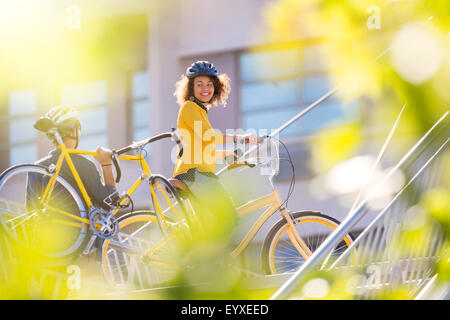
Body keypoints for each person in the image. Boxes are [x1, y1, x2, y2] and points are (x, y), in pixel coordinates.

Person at [172, 60, 259, 247]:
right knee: (229, 218)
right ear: (190, 88)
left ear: (216, 87)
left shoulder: (199, 110)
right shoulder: (189, 107)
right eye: (199, 84)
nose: (205, 88)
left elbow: (203, 146)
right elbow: (208, 136)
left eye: (209, 84)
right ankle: (207, 261)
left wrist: (227, 154)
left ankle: (198, 258)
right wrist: (240, 138)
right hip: (195, 172)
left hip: (197, 171)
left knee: (207, 225)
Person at [30, 105, 117, 210]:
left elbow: (30, 210)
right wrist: (106, 163)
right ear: (74, 131)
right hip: (79, 226)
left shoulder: (36, 168)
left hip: (45, 226)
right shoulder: (85, 165)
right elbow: (111, 204)